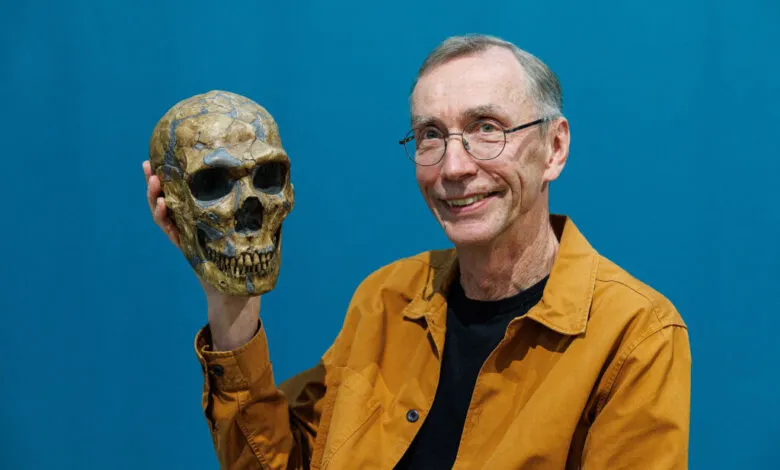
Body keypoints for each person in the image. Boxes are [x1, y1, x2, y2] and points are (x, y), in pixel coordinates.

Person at [143, 34, 691, 469]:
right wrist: (229, 301)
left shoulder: (635, 337)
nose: (453, 167)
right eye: (430, 135)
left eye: (486, 128)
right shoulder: (385, 300)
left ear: (554, 147)